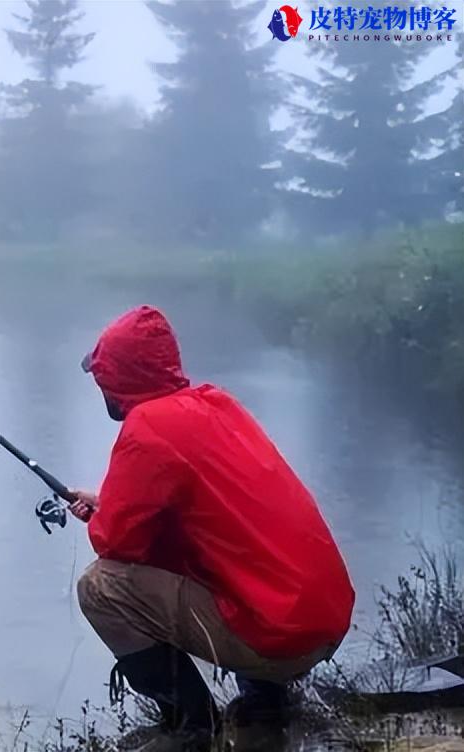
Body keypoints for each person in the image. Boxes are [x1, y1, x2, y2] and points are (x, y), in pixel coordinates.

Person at [70, 305, 355, 750]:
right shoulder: (216, 405)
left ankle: (192, 725)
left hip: (278, 640)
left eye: (102, 376)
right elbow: (207, 519)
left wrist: (103, 518)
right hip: (324, 625)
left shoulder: (148, 428)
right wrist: (109, 505)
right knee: (237, 563)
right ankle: (265, 703)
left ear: (118, 377)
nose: (99, 385)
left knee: (99, 588)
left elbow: (114, 542)